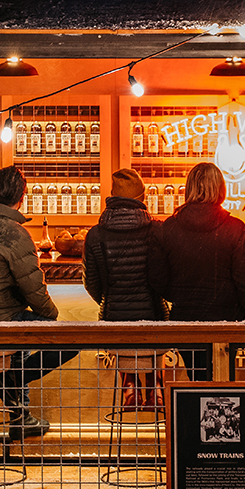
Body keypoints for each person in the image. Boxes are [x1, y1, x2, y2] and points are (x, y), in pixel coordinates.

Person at [0, 166, 75, 439]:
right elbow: (35, 291)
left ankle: (22, 416)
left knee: (21, 336)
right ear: (23, 194)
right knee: (72, 339)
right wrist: (50, 316)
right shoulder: (17, 234)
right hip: (3, 322)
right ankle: (8, 381)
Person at [151, 162, 245, 382]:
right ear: (221, 189)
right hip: (226, 321)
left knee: (197, 379)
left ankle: (197, 415)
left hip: (184, 320)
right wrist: (243, 311)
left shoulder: (168, 228)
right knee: (222, 383)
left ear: (189, 188)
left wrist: (180, 296)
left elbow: (157, 279)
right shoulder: (235, 228)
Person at [84, 168, 167, 409]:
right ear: (142, 199)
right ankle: (155, 391)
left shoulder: (95, 235)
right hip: (154, 320)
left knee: (125, 350)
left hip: (115, 323)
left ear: (112, 197)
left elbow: (92, 284)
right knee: (153, 349)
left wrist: (109, 299)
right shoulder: (157, 231)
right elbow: (163, 280)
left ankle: (129, 388)